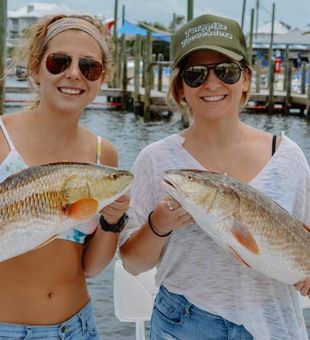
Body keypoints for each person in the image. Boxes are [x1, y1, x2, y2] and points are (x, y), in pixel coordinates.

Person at [119, 14, 310, 340]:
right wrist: (159, 224)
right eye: (195, 75)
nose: (211, 84)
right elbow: (133, 264)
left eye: (226, 71)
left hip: (273, 324)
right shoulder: (156, 160)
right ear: (180, 87)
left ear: (246, 79)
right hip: (183, 324)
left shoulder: (288, 156)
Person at [0, 14, 130, 339]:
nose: (74, 74)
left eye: (90, 67)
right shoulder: (1, 138)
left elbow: (92, 268)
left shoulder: (105, 155)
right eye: (59, 62)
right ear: (35, 66)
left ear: (101, 78)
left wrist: (112, 223)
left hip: (77, 328)